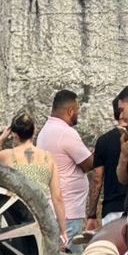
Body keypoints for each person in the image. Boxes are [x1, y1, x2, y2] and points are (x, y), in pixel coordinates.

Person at [0, 115, 64, 230]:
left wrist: (2, 138)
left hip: (14, 215)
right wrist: (63, 230)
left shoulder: (7, 155)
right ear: (34, 131)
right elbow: (57, 197)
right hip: (42, 214)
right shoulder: (48, 157)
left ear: (14, 135)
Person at [36, 90, 92, 243]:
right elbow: (89, 164)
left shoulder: (45, 131)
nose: (78, 115)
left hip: (54, 209)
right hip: (68, 212)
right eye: (78, 111)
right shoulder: (66, 133)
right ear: (70, 111)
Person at [86, 97, 128, 228]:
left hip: (112, 209)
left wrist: (92, 214)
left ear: (115, 114)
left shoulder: (104, 141)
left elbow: (97, 179)